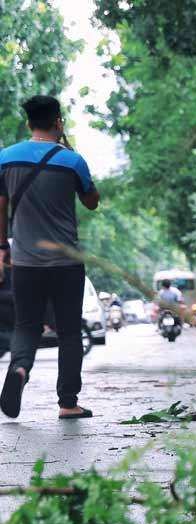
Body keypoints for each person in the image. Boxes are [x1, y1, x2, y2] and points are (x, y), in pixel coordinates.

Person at [0, 95, 100, 419]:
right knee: (69, 330)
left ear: (29, 123)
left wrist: (3, 248)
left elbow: (0, 207)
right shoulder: (72, 160)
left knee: (26, 324)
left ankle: (19, 370)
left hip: (25, 262)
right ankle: (68, 403)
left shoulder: (5, 158)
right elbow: (92, 201)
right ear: (58, 122)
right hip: (66, 263)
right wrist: (68, 149)